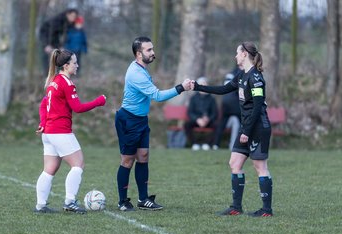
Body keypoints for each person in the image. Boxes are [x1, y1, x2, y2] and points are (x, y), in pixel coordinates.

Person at [191, 42, 273, 217]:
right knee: (234, 163)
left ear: (244, 54)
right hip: (247, 127)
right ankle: (236, 207)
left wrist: (246, 132)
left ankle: (266, 210)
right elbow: (223, 89)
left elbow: (258, 107)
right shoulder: (241, 75)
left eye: (237, 53)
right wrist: (197, 87)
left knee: (260, 167)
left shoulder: (256, 78)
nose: (235, 56)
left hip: (258, 127)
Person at [115, 36, 192, 211]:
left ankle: (143, 199)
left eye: (152, 49)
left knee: (143, 157)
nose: (153, 53)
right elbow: (157, 96)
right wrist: (181, 87)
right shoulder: (136, 73)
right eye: (148, 50)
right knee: (127, 161)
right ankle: (122, 201)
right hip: (128, 120)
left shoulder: (141, 69)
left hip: (141, 120)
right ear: (138, 53)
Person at [34, 49, 106, 214]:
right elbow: (78, 108)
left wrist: (43, 123)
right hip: (60, 132)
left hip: (49, 134)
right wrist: (99, 101)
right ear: (66, 65)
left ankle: (40, 205)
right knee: (78, 164)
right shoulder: (66, 83)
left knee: (49, 169)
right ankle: (70, 202)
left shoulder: (53, 81)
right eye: (74, 63)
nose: (77, 65)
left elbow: (44, 104)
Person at [39, 8, 79, 75]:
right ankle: (47, 75)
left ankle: (57, 74)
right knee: (48, 56)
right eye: (72, 16)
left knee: (59, 55)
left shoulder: (68, 23)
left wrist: (60, 46)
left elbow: (64, 35)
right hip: (46, 36)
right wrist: (47, 44)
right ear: (67, 14)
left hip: (55, 39)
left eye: (75, 17)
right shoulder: (58, 20)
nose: (73, 18)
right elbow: (51, 33)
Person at [184, 77, 218, 151]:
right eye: (201, 84)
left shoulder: (211, 98)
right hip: (196, 120)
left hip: (208, 121)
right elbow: (190, 112)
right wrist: (197, 119)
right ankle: (194, 144)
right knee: (187, 125)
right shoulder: (193, 98)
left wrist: (208, 119)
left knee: (218, 125)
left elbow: (215, 113)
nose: (203, 86)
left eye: (205, 84)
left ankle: (208, 144)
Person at [212, 67, 242, 150]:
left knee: (224, 124)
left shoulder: (233, 73)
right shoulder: (237, 73)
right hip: (232, 104)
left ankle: (216, 144)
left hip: (229, 103)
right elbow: (228, 87)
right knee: (222, 124)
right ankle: (217, 144)